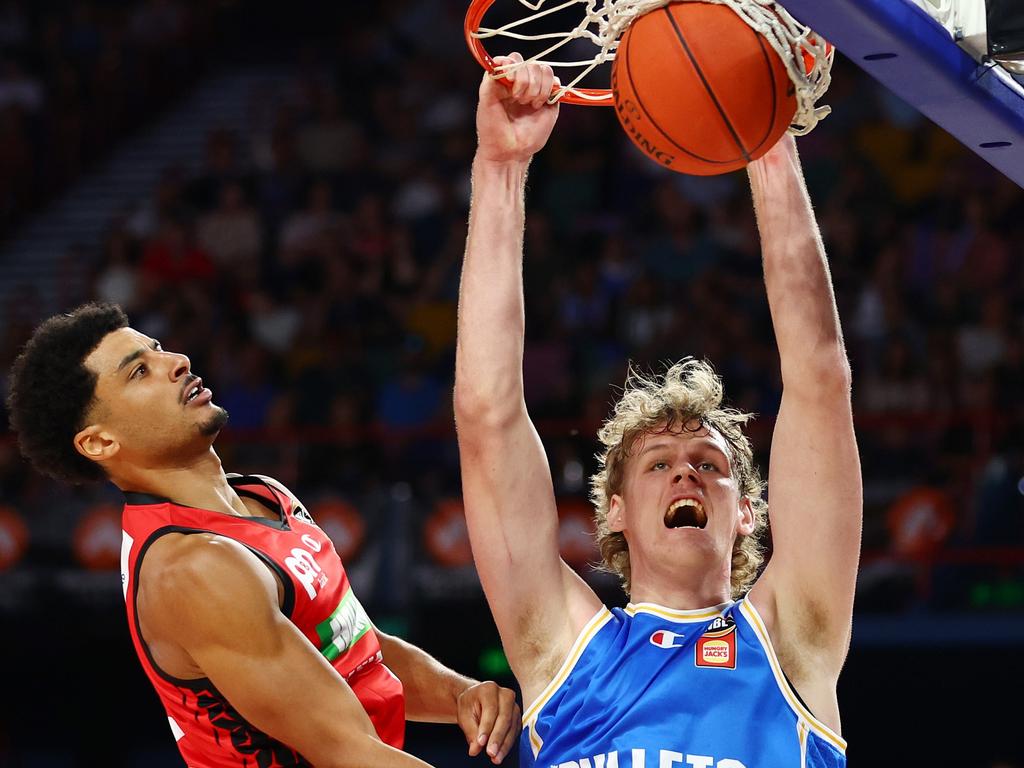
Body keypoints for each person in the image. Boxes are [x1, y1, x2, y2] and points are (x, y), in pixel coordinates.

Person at [454, 54, 861, 767]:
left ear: (748, 513)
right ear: (612, 511)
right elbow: (486, 414)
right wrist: (500, 167)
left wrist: (767, 143)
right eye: (659, 464)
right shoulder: (559, 649)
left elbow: (821, 381)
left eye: (710, 465)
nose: (687, 477)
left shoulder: (794, 638)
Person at [6, 303, 520, 767]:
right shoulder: (192, 568)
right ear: (99, 442)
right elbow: (348, 753)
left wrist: (460, 696)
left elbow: (363, 650)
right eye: (140, 371)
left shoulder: (263, 495)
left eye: (158, 349)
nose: (177, 361)